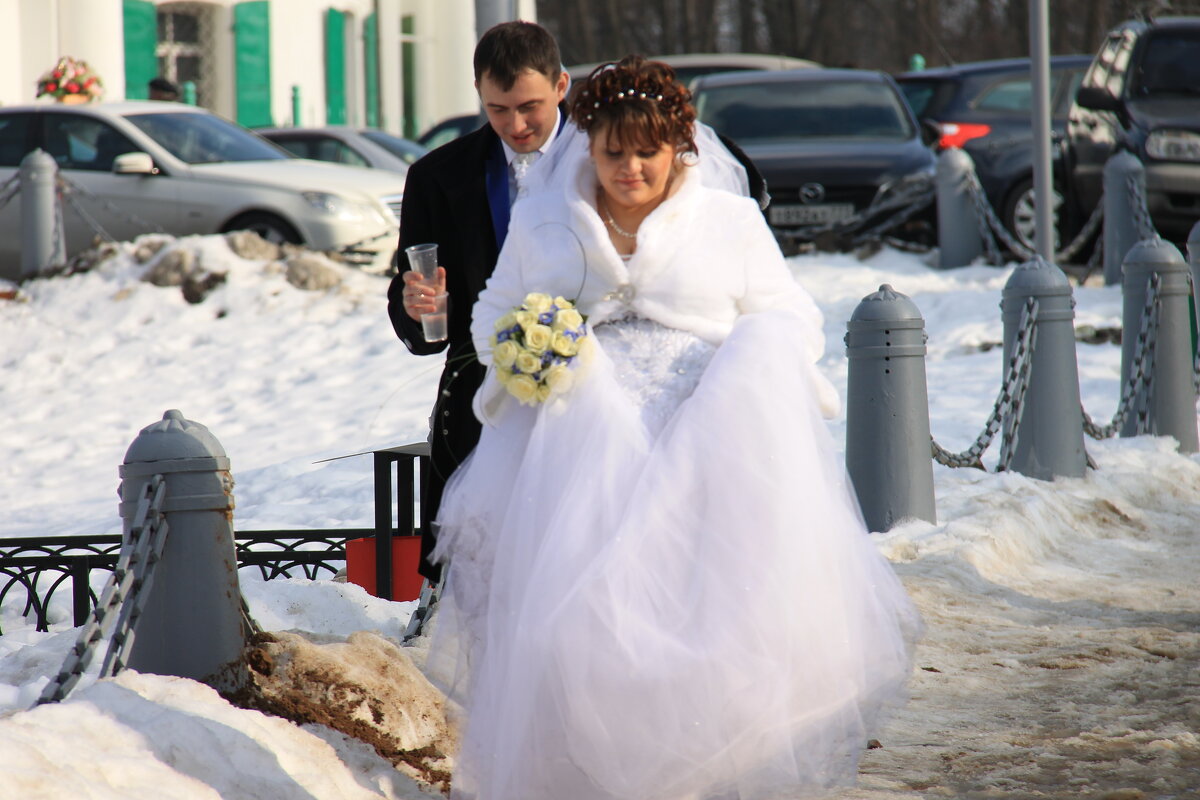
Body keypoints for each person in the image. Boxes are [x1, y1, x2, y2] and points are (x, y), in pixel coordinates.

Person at [426, 55, 921, 800]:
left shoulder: (728, 220)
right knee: (577, 621)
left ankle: (707, 771)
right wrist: (524, 359)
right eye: (612, 152)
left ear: (679, 149)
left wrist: (752, 373)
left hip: (709, 437)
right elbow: (495, 310)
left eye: (646, 153)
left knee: (715, 620)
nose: (629, 170)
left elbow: (788, 316)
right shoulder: (542, 218)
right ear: (589, 147)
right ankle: (594, 771)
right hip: (578, 440)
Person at [387, 21, 570, 581]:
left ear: (562, 86)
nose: (515, 124)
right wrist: (416, 307)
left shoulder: (605, 159)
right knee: (483, 574)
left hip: (591, 395)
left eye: (529, 106)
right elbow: (417, 314)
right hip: (480, 401)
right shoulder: (439, 176)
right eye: (497, 109)